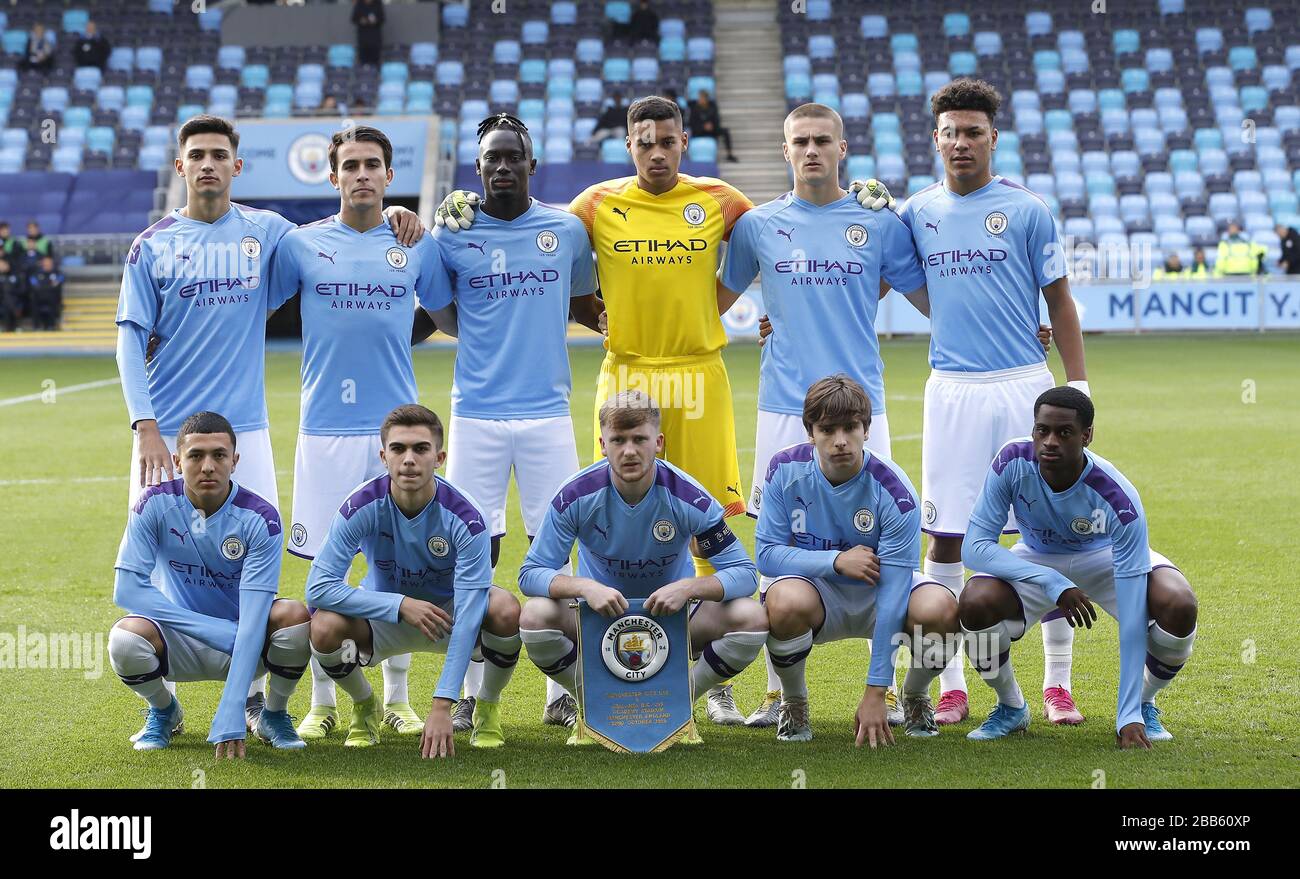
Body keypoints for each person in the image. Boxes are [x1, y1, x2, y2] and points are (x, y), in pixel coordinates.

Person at [434, 94, 891, 724]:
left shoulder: (724, 202)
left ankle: (719, 679)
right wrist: (456, 212)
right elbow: (538, 245)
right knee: (604, 515)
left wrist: (858, 198)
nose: (656, 152)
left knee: (711, 521)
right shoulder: (591, 207)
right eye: (644, 141)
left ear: (683, 143)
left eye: (667, 141)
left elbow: (797, 237)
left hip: (699, 376)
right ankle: (586, 670)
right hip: (626, 376)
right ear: (630, 146)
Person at [870, 79, 1091, 727]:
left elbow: (1060, 303)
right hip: (953, 393)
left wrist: (1075, 389)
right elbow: (873, 280)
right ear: (934, 139)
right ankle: (952, 682)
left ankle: (1057, 684)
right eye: (950, 132)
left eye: (973, 132)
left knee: (1043, 537)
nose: (960, 143)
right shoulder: (915, 212)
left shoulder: (1027, 209)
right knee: (947, 538)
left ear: (993, 138)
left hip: (1025, 385)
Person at [722, 102, 929, 726]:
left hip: (862, 409)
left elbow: (927, 293)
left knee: (883, 545)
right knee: (779, 542)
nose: (811, 151)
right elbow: (715, 299)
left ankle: (886, 687)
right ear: (786, 152)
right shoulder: (758, 227)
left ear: (843, 149)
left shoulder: (880, 223)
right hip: (784, 408)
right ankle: (780, 692)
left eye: (822, 141)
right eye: (799, 142)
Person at [266, 125, 454, 742]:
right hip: (324, 432)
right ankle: (325, 701)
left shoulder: (414, 244)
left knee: (394, 566)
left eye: (374, 165)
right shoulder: (301, 245)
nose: (363, 175)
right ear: (333, 177)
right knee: (327, 569)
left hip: (395, 433)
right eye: (351, 166)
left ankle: (396, 698)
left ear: (390, 176)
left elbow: (446, 314)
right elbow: (249, 304)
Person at [431, 113, 602, 732]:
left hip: (547, 415)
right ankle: (474, 687)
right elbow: (443, 316)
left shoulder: (566, 230)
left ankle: (563, 685)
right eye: (491, 159)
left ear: (532, 165)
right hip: (474, 414)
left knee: (555, 552)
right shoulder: (451, 233)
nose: (503, 167)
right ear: (476, 170)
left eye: (513, 157)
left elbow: (583, 302)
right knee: (475, 552)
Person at [517, 390, 767, 745]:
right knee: (535, 615)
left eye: (639, 439)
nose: (629, 450)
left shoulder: (689, 497)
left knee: (750, 617)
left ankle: (679, 700)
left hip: (675, 622)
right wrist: (585, 588)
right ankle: (595, 703)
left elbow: (744, 573)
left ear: (659, 442)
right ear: (602, 444)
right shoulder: (575, 496)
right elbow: (531, 573)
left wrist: (688, 588)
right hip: (596, 621)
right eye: (618, 440)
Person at [959, 388, 1198, 747]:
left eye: (1064, 433)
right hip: (1037, 556)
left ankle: (1144, 704)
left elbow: (1133, 620)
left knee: (1179, 604)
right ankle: (1011, 707)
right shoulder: (1012, 461)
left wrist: (1127, 712)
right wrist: (1053, 581)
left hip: (1103, 557)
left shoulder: (1118, 497)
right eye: (1042, 430)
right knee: (975, 602)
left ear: (1087, 435)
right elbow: (975, 548)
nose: (1049, 442)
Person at [757, 376, 961, 744]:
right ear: (810, 432)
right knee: (783, 601)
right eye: (827, 429)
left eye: (850, 427)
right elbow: (767, 555)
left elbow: (896, 592)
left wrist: (876, 691)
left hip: (879, 593)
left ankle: (915, 695)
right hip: (818, 593)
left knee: (941, 609)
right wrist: (835, 561)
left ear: (867, 430)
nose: (839, 441)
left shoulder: (895, 492)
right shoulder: (783, 470)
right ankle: (794, 702)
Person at [306, 404, 521, 753]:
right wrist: (400, 604)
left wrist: (441, 704)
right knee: (324, 626)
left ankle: (487, 706)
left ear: (439, 457)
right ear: (383, 456)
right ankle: (364, 704)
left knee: (505, 609)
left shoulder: (467, 517)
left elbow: (469, 614)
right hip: (383, 616)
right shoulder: (359, 506)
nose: (409, 459)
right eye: (398, 449)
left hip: (448, 616)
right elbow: (318, 588)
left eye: (420, 449)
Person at [108, 411, 310, 754]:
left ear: (235, 461)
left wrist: (231, 709)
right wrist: (207, 628)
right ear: (177, 460)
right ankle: (164, 711)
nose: (207, 466)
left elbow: (254, 616)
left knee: (294, 619)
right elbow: (126, 589)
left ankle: (272, 714)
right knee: (125, 639)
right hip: (180, 642)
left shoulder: (261, 518)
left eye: (219, 455)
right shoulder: (154, 504)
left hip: (243, 641)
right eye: (195, 455)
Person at [688, 89, 739, 162]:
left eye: (702, 98)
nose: (700, 100)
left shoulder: (713, 107)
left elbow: (717, 119)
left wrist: (712, 126)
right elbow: (691, 123)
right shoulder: (695, 108)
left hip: (712, 130)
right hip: (699, 131)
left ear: (706, 99)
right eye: (699, 98)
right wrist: (703, 127)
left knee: (725, 131)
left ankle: (729, 154)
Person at [28, 254, 63, 330]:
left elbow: (58, 283)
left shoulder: (57, 272)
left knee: (53, 300)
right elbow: (34, 283)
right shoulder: (37, 273)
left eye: (49, 262)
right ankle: (36, 326)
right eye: (45, 262)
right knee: (33, 301)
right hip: (39, 296)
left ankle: (52, 326)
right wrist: (47, 286)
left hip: (52, 296)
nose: (47, 264)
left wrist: (44, 286)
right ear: (42, 263)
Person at [352, 0, 385, 67]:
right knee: (363, 63)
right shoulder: (359, 4)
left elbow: (382, 19)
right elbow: (353, 19)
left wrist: (375, 21)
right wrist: (361, 21)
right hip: (363, 40)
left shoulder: (378, 3)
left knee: (375, 63)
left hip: (375, 40)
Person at [0, 257, 21, 331]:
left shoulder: (15, 275)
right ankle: (16, 326)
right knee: (7, 299)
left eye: (3, 265)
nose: (2, 267)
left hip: (15, 298)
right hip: (2, 299)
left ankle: (8, 327)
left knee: (8, 298)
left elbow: (22, 289)